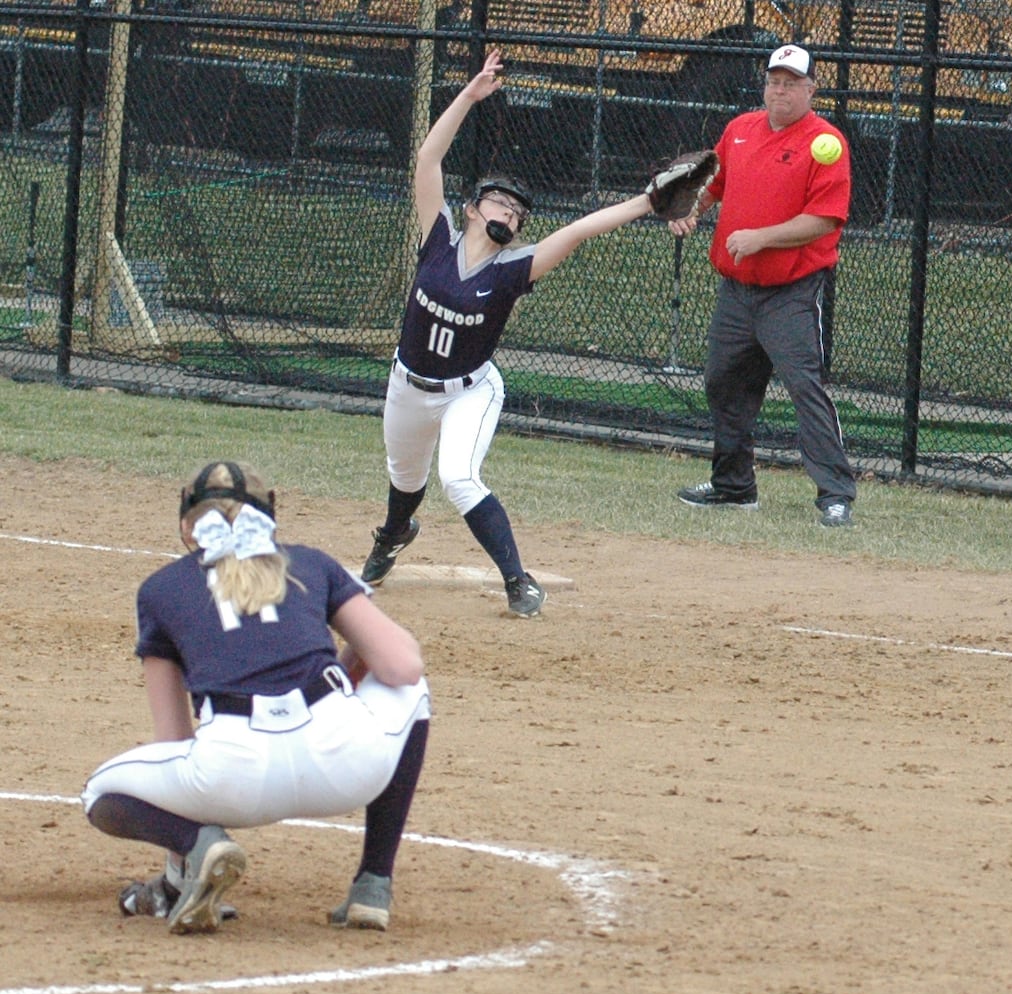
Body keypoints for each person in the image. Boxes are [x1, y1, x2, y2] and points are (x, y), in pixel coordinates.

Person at [363, 47, 664, 613]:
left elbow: (578, 231)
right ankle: (393, 535)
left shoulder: (512, 270)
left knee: (457, 477)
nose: (509, 213)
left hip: (470, 390)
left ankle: (517, 581)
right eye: (498, 202)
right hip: (407, 384)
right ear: (473, 209)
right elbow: (428, 160)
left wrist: (646, 202)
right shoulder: (438, 239)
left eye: (518, 212)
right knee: (404, 479)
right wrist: (470, 97)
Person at [81, 461, 432, 934]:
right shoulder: (310, 562)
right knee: (412, 691)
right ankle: (373, 884)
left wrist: (180, 864)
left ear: (188, 526)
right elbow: (402, 666)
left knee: (100, 792)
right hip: (346, 765)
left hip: (234, 780)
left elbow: (173, 739)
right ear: (270, 516)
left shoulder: (160, 590)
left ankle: (200, 846)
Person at [666, 44, 858, 528]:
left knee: (803, 387)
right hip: (736, 290)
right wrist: (692, 210)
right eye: (775, 80)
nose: (781, 89)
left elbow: (824, 220)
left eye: (792, 82)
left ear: (812, 89)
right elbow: (715, 183)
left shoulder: (825, 142)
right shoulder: (739, 131)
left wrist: (761, 238)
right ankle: (734, 487)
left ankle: (835, 494)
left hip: (790, 291)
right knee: (723, 383)